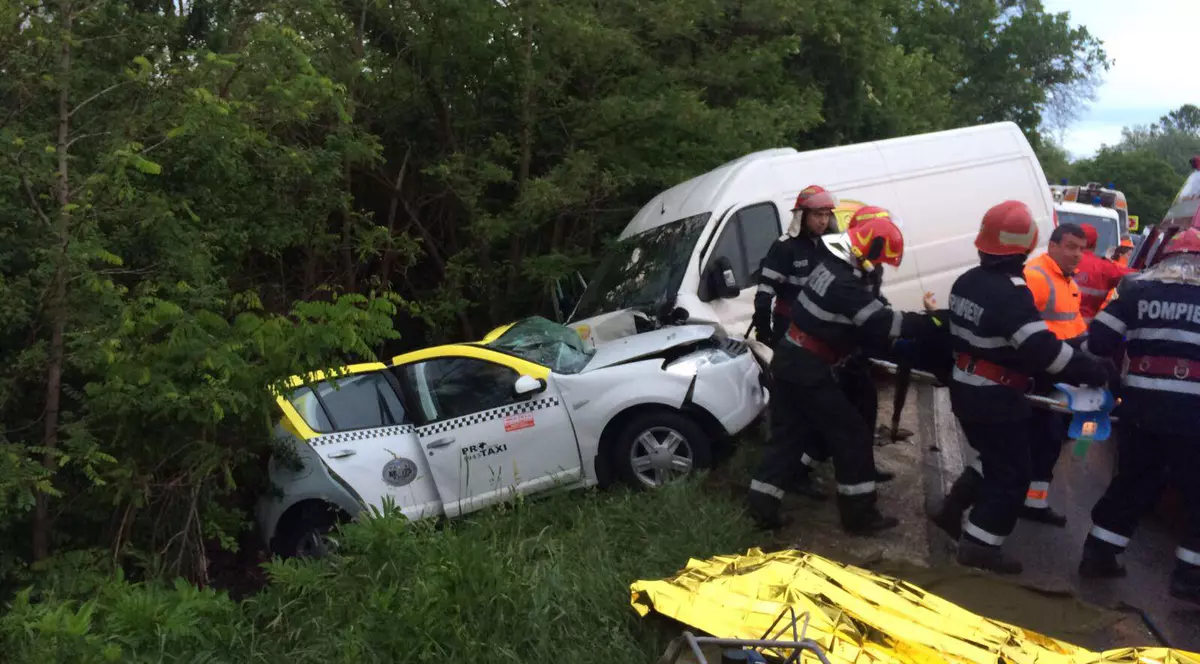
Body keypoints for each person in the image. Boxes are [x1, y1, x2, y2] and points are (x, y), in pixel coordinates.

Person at [930, 201, 1111, 574]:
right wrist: (1092, 370)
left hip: (967, 387)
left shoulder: (967, 281)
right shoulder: (1011, 293)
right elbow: (1041, 350)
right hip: (994, 396)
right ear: (1027, 246)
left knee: (995, 457)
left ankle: (952, 509)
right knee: (1012, 475)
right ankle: (981, 545)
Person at [747, 207, 939, 534]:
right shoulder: (844, 283)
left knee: (788, 437)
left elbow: (856, 321)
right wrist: (934, 322)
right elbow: (882, 322)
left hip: (792, 360)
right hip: (808, 367)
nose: (879, 267)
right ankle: (860, 516)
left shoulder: (829, 265)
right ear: (868, 252)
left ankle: (761, 509)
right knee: (851, 435)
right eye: (879, 260)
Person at [1078, 227, 1200, 605]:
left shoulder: (1136, 291)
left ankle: (1099, 554)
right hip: (1193, 414)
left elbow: (1097, 342)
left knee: (1133, 481)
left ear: (1166, 259)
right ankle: (1189, 579)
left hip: (1139, 407)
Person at [1020, 225, 1090, 527]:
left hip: (1060, 370)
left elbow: (1072, 324)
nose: (1077, 254)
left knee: (1049, 441)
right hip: (1038, 371)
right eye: (1071, 246)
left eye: (1081, 248)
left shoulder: (1065, 279)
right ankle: (1020, 500)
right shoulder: (1036, 276)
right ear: (1052, 245)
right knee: (1039, 440)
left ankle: (1032, 500)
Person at [753, 186, 838, 346]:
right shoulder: (785, 247)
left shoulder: (832, 245)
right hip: (790, 331)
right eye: (817, 214)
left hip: (823, 331)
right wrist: (764, 332)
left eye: (827, 215)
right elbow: (764, 294)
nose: (823, 221)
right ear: (802, 215)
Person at [1074, 224, 1135, 323]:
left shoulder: (1055, 261)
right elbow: (1136, 276)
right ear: (1095, 244)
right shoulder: (1104, 268)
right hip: (1084, 331)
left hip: (1048, 332)